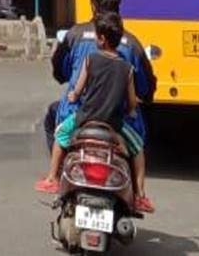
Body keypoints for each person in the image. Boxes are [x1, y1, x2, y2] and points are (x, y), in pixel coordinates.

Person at [36, 12, 153, 212]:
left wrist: (73, 97)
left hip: (85, 119)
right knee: (138, 149)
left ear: (101, 39)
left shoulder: (90, 60)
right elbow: (132, 103)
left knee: (60, 135)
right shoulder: (127, 69)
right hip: (114, 125)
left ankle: (52, 177)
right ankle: (140, 195)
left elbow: (78, 90)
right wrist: (131, 109)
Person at [46, 0, 155, 165]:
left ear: (93, 6)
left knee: (54, 121)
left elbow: (60, 71)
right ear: (118, 8)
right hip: (117, 120)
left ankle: (56, 175)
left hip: (79, 114)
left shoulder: (75, 35)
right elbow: (145, 88)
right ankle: (138, 190)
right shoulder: (132, 44)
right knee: (138, 145)